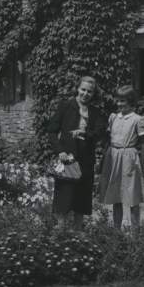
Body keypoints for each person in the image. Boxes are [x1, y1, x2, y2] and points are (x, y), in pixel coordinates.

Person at [45, 75, 107, 230]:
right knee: (64, 197)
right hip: (68, 159)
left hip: (86, 160)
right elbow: (51, 131)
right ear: (77, 89)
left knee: (82, 198)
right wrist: (60, 151)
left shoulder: (95, 112)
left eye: (89, 92)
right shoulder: (65, 106)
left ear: (94, 94)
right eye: (83, 89)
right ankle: (60, 232)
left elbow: (99, 132)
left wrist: (85, 133)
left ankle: (78, 234)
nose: (85, 94)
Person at [99, 85, 144, 233]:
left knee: (132, 196)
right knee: (116, 195)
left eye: (123, 101)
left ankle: (135, 231)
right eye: (118, 101)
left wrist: (143, 164)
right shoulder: (113, 117)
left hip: (129, 157)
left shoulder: (138, 119)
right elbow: (108, 139)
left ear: (131, 101)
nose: (120, 104)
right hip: (114, 156)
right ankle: (116, 231)